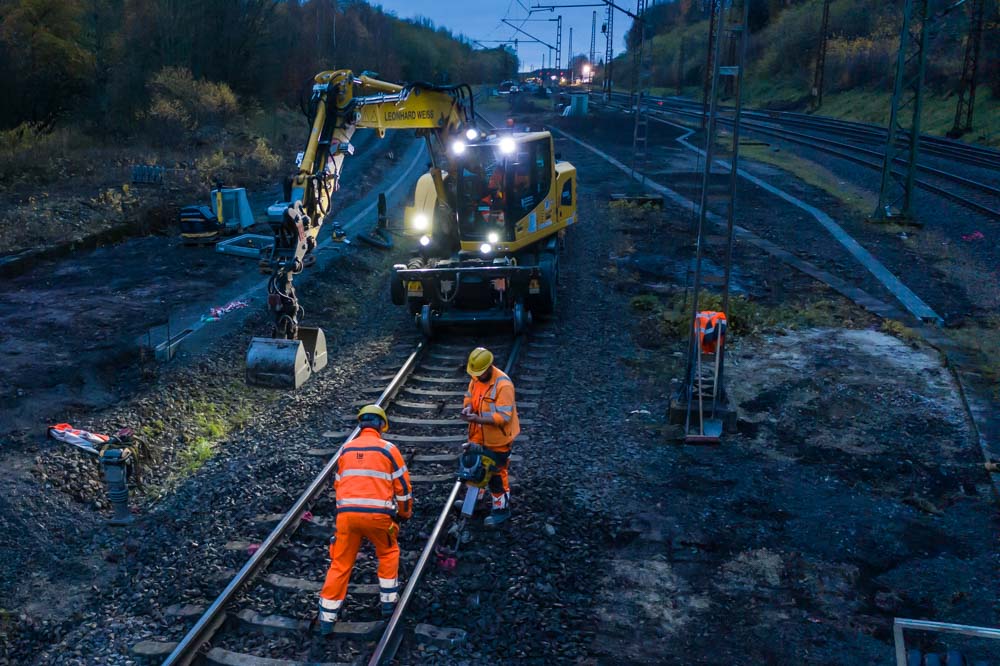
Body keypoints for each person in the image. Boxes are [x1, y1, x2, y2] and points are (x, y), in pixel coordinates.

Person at [317, 405, 412, 634]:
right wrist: (404, 513)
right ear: (381, 425)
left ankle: (326, 618)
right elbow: (404, 489)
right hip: (378, 518)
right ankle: (388, 603)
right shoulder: (389, 449)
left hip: (346, 517)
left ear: (361, 425)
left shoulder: (346, 449)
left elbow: (338, 483)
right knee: (388, 552)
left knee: (340, 563)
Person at [460, 347, 520, 527]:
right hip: (478, 435)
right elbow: (469, 397)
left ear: (489, 367)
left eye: (479, 372)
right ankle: (475, 502)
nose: (476, 376)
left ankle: (501, 509)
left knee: (496, 473)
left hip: (498, 439)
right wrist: (468, 408)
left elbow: (504, 417)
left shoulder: (503, 385)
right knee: (475, 467)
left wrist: (478, 418)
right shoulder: (476, 379)